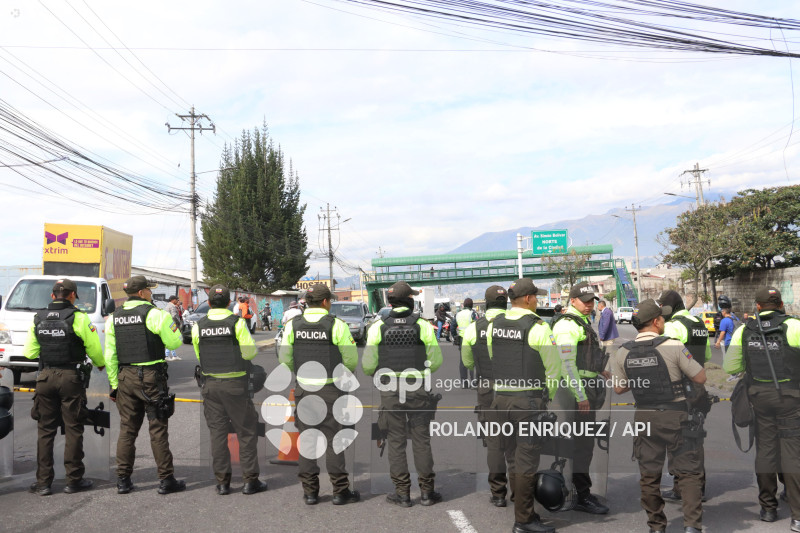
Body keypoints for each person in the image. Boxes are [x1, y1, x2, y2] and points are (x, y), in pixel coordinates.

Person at [611, 299, 706, 533]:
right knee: (688, 473)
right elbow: (700, 377)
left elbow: (619, 388)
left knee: (649, 476)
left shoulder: (623, 352)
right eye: (662, 317)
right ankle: (692, 526)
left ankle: (656, 526)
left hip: (644, 418)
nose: (664, 320)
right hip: (676, 416)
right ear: (656, 321)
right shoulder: (673, 345)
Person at [486, 278, 561, 533]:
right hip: (527, 403)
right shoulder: (538, 327)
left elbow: (493, 357)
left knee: (512, 457)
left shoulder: (495, 325)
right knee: (527, 461)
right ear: (528, 299)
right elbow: (554, 369)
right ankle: (524, 520)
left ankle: (522, 507)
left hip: (500, 401)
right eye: (536, 297)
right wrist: (545, 397)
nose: (537, 301)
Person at [723, 287, 800, 529]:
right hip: (791, 398)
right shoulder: (794, 326)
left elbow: (730, 367)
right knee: (792, 453)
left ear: (757, 306)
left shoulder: (744, 330)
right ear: (781, 304)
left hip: (759, 398)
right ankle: (798, 516)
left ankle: (768, 509)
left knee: (766, 451)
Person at [363, 281, 443, 507]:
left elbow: (368, 366)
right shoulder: (422, 325)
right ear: (409, 300)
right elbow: (436, 361)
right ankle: (427, 492)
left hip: (390, 390)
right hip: (417, 389)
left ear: (390, 302)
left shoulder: (377, 327)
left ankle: (403, 494)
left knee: (395, 441)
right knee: (421, 440)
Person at [279, 283, 360, 505]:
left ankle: (310, 493)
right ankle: (340, 492)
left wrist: (300, 374)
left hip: (304, 390)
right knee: (334, 441)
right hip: (331, 389)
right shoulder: (337, 325)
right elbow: (351, 360)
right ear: (325, 302)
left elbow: (285, 358)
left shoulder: (293, 325)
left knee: (308, 440)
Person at [23, 279, 105, 496]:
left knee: (45, 431)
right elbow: (94, 348)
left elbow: (29, 353)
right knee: (73, 428)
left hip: (45, 377)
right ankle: (74, 480)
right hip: (70, 378)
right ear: (72, 296)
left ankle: (43, 483)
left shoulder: (38, 318)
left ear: (52, 296)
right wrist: (100, 364)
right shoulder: (79, 317)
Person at [105, 275, 185, 495]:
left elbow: (110, 355)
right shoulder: (155, 314)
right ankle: (166, 480)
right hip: (151, 378)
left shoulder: (113, 318)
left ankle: (123, 481)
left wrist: (114, 385)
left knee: (127, 430)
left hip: (125, 377)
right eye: (149, 290)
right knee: (157, 429)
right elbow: (175, 341)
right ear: (141, 293)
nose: (151, 293)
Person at [193, 285, 267, 496]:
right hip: (235, 386)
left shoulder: (199, 325)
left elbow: (199, 354)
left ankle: (222, 483)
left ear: (209, 303)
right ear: (229, 303)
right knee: (246, 432)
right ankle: (250, 481)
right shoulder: (237, 323)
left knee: (218, 434)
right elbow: (250, 353)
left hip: (210, 386)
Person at [551, 281, 610, 514]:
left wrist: (599, 369)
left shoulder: (581, 322)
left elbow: (582, 357)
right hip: (575, 391)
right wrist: (581, 395)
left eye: (591, 301)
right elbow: (567, 365)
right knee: (581, 445)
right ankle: (581, 495)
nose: (589, 305)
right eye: (584, 301)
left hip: (586, 386)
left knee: (582, 444)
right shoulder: (567, 325)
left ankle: (578, 490)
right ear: (572, 300)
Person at [657, 290, 711, 502]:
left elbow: (664, 358)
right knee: (695, 437)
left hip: (679, 389)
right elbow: (706, 355)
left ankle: (682, 488)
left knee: (677, 438)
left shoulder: (673, 326)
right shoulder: (699, 323)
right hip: (698, 387)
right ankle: (698, 486)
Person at [461, 285, 509, 507]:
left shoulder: (474, 328)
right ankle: (520, 493)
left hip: (487, 388)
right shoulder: (519, 325)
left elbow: (467, 361)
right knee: (518, 442)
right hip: (516, 387)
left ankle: (498, 493)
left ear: (486, 303)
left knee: (494, 442)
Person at [455, 298, 478, 387]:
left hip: (462, 339)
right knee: (472, 360)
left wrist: (455, 336)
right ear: (472, 305)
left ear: (464, 305)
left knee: (463, 361)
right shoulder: (473, 313)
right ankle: (473, 382)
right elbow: (478, 324)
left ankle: (464, 383)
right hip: (472, 339)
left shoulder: (458, 314)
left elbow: (452, 326)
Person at [165, 296, 182, 361]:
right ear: (173, 300)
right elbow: (174, 316)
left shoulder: (167, 306)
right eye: (176, 299)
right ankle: (167, 355)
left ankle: (174, 355)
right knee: (172, 339)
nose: (177, 301)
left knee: (172, 339)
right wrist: (179, 322)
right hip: (172, 325)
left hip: (169, 324)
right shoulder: (172, 306)